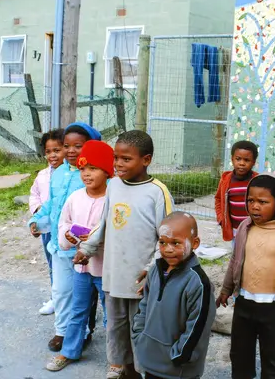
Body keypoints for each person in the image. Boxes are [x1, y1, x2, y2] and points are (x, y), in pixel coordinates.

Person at [78, 130, 174, 379]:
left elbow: (167, 237)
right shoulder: (115, 185)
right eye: (116, 158)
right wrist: (87, 248)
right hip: (113, 275)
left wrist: (153, 268)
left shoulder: (157, 192)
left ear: (146, 159)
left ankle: (143, 373)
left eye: (126, 159)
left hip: (140, 279)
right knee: (116, 328)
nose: (118, 165)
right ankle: (126, 371)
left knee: (140, 329)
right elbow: (105, 222)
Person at [217, 174, 275, 379]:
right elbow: (234, 262)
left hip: (274, 308)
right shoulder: (245, 229)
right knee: (239, 354)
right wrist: (225, 290)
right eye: (251, 200)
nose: (255, 206)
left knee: (273, 358)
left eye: (263, 202)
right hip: (244, 304)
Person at [28, 122, 102, 352]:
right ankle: (61, 331)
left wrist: (79, 236)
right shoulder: (59, 173)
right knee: (60, 291)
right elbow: (52, 203)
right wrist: (38, 221)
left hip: (85, 250)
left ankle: (83, 332)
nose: (70, 151)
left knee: (84, 295)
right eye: (66, 146)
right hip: (59, 246)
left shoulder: (95, 175)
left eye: (77, 146)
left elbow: (97, 212)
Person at [46, 140, 114, 371]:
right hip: (80, 268)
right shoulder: (75, 197)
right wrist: (70, 236)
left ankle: (116, 361)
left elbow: (117, 230)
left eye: (93, 168)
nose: (86, 174)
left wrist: (95, 241)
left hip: (106, 268)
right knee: (78, 310)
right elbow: (63, 223)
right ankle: (70, 351)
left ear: (107, 171)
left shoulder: (113, 200)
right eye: (83, 168)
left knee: (111, 316)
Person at [132, 212, 216, 379]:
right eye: (162, 242)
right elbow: (144, 305)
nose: (168, 249)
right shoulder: (156, 271)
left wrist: (179, 356)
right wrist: (139, 336)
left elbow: (197, 329)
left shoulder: (198, 284)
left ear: (195, 243)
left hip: (178, 371)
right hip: (150, 362)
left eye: (176, 243)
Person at [29, 128, 65, 315]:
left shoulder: (72, 175)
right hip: (48, 228)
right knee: (52, 264)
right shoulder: (43, 176)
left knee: (68, 266)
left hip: (65, 229)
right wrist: (36, 213)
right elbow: (34, 194)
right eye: (49, 151)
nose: (52, 155)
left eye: (57, 150)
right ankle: (55, 297)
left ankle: (71, 299)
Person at [215, 140, 258, 242]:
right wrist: (221, 219)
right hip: (235, 231)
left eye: (247, 160)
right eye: (238, 159)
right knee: (237, 256)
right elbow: (218, 199)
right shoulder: (226, 180)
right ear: (232, 159)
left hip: (254, 230)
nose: (242, 163)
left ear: (253, 162)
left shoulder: (257, 181)